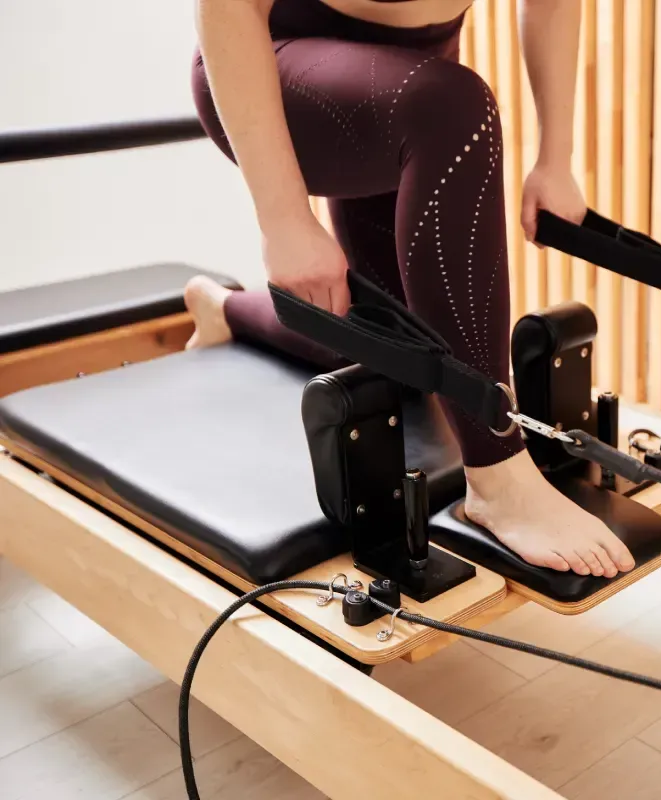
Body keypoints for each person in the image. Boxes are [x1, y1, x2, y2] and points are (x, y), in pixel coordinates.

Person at [189, 0, 634, 579]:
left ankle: (224, 308)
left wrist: (556, 157)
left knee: (387, 352)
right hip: (278, 66)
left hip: (409, 71)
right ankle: (498, 482)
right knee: (455, 106)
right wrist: (284, 219)